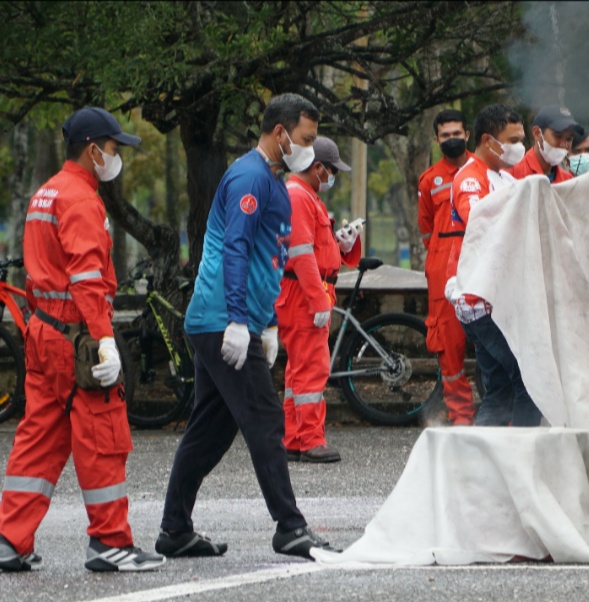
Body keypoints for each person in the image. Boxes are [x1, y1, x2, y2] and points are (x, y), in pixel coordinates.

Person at [156, 93, 340, 560]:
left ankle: (174, 530)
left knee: (210, 431)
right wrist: (240, 321)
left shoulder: (274, 183)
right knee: (264, 419)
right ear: (280, 133)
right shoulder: (248, 177)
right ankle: (290, 527)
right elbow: (235, 249)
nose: (311, 149)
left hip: (228, 321)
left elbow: (271, 260)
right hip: (221, 320)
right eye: (305, 139)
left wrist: (268, 323)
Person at [0, 107, 165, 572]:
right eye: (113, 149)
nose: (117, 157)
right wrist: (105, 340)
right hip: (78, 339)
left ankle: (10, 540)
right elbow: (88, 279)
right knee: (102, 437)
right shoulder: (81, 199)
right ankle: (110, 542)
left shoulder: (45, 194)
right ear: (93, 150)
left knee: (39, 438)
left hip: (43, 333)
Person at [444, 104, 543, 427]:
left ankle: (481, 465)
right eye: (513, 139)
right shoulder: (470, 179)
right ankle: (523, 460)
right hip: (482, 302)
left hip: (495, 300)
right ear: (488, 140)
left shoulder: (503, 177)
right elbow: (480, 223)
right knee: (528, 385)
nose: (520, 147)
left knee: (499, 390)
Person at [277, 136, 360, 463]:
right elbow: (301, 255)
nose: (333, 176)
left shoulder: (304, 195)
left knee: (298, 371)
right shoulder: (299, 196)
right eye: (331, 170)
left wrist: (343, 245)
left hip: (302, 292)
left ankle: (295, 438)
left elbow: (314, 251)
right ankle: (310, 440)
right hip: (304, 294)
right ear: (317, 167)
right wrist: (317, 302)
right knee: (311, 369)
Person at [418, 109, 476, 426]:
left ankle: (502, 411)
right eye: (445, 135)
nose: (451, 139)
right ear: (437, 139)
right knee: (448, 346)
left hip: (481, 265)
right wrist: (445, 255)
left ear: (467, 135)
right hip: (443, 271)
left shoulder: (482, 172)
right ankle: (461, 415)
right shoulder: (429, 181)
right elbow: (426, 231)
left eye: (457, 133)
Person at [508, 106, 578, 182]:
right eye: (558, 136)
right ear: (537, 133)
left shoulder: (568, 180)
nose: (563, 144)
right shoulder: (511, 174)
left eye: (569, 139)